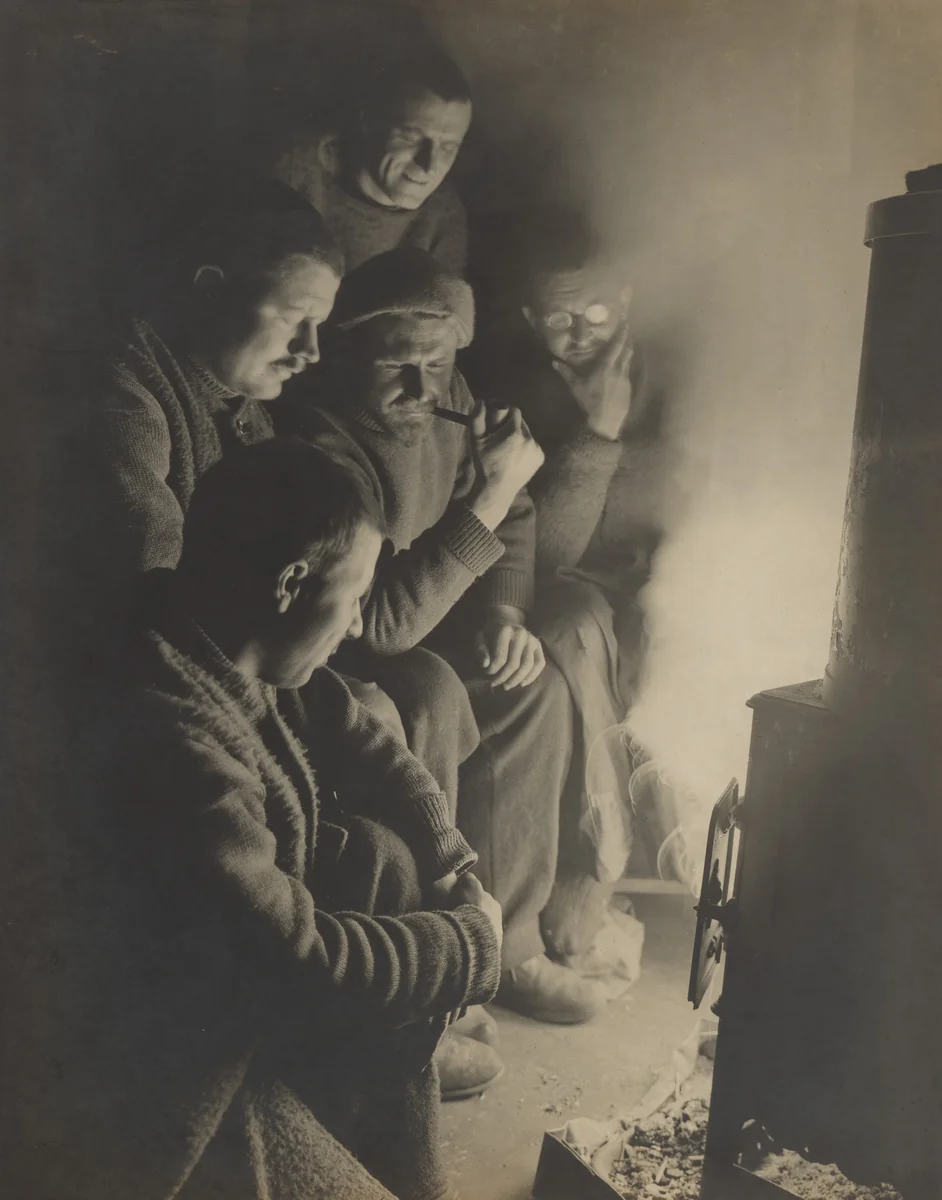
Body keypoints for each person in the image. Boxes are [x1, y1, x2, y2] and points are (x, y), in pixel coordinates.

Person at [75, 174, 490, 1097]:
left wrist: (442, 845)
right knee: (388, 705)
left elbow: (265, 628)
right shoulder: (121, 404)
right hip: (132, 721)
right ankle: (377, 1025)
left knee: (384, 802)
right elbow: (173, 616)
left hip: (221, 677)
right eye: (296, 319)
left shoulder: (239, 408)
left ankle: (405, 1022)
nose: (312, 351)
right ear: (209, 288)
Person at [33, 439, 504, 1200]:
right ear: (291, 582)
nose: (355, 625)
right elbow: (297, 963)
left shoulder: (216, 627)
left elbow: (356, 733)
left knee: (386, 858)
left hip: (224, 1004)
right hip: (167, 1081)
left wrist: (445, 852)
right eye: (355, 595)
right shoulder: (171, 741)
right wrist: (468, 944)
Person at [278, 246, 609, 1026]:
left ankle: (513, 946)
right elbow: (383, 628)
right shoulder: (323, 438)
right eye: (397, 365)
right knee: (426, 694)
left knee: (535, 686)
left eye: (435, 364)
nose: (420, 388)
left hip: (423, 630)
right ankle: (436, 982)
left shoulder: (449, 398)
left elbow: (517, 516)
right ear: (346, 353)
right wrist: (492, 492)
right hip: (336, 659)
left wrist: (503, 613)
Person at [466, 208, 682, 956]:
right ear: (531, 316)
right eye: (559, 316)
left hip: (664, 581)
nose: (581, 330)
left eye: (595, 309)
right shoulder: (512, 390)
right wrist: (598, 434)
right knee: (562, 623)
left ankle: (595, 869)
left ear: (624, 298)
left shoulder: (672, 377)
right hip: (570, 592)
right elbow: (545, 554)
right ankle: (593, 861)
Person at [271, 48, 472, 275]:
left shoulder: (444, 211)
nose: (429, 165)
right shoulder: (295, 168)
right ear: (368, 122)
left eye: (448, 148)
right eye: (411, 136)